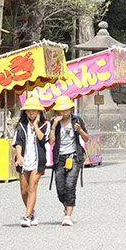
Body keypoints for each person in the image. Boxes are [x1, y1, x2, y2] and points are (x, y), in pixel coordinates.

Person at [47, 96, 89, 227]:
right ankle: (66, 205)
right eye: (61, 110)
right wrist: (54, 126)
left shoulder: (77, 120)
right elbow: (51, 141)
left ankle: (68, 215)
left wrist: (80, 130)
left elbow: (86, 138)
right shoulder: (54, 122)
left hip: (74, 156)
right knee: (60, 187)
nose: (64, 113)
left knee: (70, 184)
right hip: (59, 158)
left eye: (66, 110)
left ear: (71, 109)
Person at [12, 96, 48, 227]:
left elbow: (43, 139)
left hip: (38, 160)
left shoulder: (45, 124)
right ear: (25, 112)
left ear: (39, 112)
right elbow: (18, 141)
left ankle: (27, 217)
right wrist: (19, 156)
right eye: (30, 111)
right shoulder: (21, 126)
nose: (32, 113)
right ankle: (31, 212)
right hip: (24, 159)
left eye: (35, 110)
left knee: (32, 187)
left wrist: (36, 125)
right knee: (23, 190)